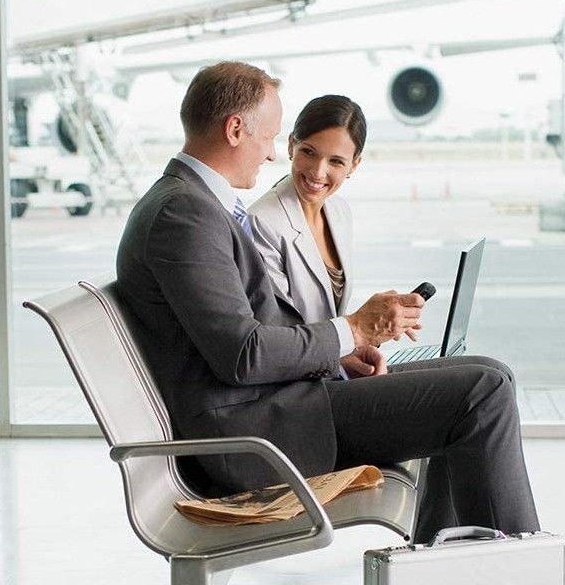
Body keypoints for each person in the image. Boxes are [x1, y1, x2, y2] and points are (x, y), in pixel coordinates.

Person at [115, 61, 539, 542]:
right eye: (271, 138)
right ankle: (519, 567)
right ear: (236, 129)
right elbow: (243, 354)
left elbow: (252, 334)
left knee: (490, 372)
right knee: (480, 393)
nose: (273, 155)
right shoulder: (185, 214)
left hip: (278, 403)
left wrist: (336, 358)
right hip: (253, 435)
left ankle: (443, 564)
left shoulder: (194, 204)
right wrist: (353, 329)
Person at [249, 95, 365, 323]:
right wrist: (360, 327)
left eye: (336, 162)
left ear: (354, 165)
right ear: (292, 144)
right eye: (309, 152)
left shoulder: (340, 211)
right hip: (295, 358)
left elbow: (328, 316)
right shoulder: (260, 222)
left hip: (331, 356)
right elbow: (281, 329)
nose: (318, 172)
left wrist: (376, 327)